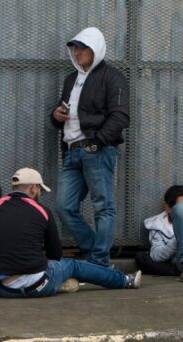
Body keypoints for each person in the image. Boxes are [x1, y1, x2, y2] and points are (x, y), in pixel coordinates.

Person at [0, 168, 140, 301]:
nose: (39, 194)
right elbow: (55, 253)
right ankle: (125, 280)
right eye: (40, 190)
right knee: (72, 265)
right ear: (32, 189)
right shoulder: (42, 211)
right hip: (38, 286)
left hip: (5, 290)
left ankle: (59, 284)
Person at [50, 27, 129, 268]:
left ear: (96, 49)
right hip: (72, 151)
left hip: (96, 150)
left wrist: (97, 142)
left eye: (83, 48)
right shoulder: (70, 79)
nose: (77, 53)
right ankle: (96, 253)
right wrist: (55, 115)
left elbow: (121, 117)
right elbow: (60, 116)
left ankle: (98, 261)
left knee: (103, 207)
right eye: (75, 48)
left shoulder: (112, 77)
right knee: (64, 207)